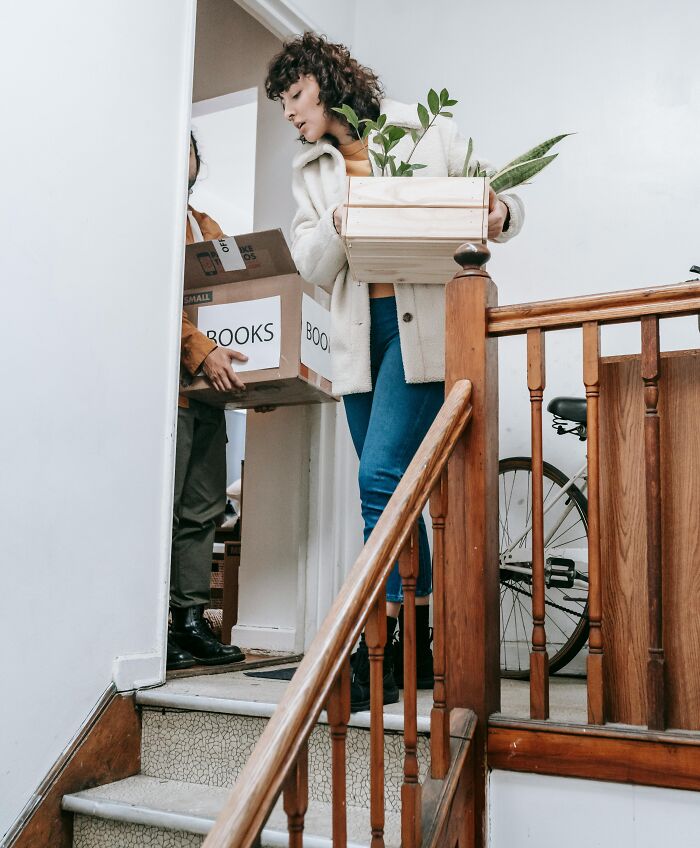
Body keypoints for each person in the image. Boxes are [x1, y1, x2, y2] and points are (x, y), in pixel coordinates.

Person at [265, 34, 524, 710]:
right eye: (283, 105)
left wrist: (501, 211)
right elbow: (312, 266)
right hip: (358, 337)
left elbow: (494, 198)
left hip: (423, 326)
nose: (290, 114)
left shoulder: (422, 128)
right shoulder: (311, 174)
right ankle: (416, 647)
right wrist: (336, 223)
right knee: (397, 493)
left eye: (294, 96)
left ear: (325, 82)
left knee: (380, 475)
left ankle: (387, 643)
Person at [167, 132, 248, 670]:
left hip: (208, 398)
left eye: (191, 147)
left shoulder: (207, 228)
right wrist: (201, 350)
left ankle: (191, 622)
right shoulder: (150, 221)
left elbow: (244, 298)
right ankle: (150, 625)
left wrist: (263, 375)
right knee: (163, 511)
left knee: (202, 509)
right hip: (167, 393)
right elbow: (155, 302)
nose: (185, 157)